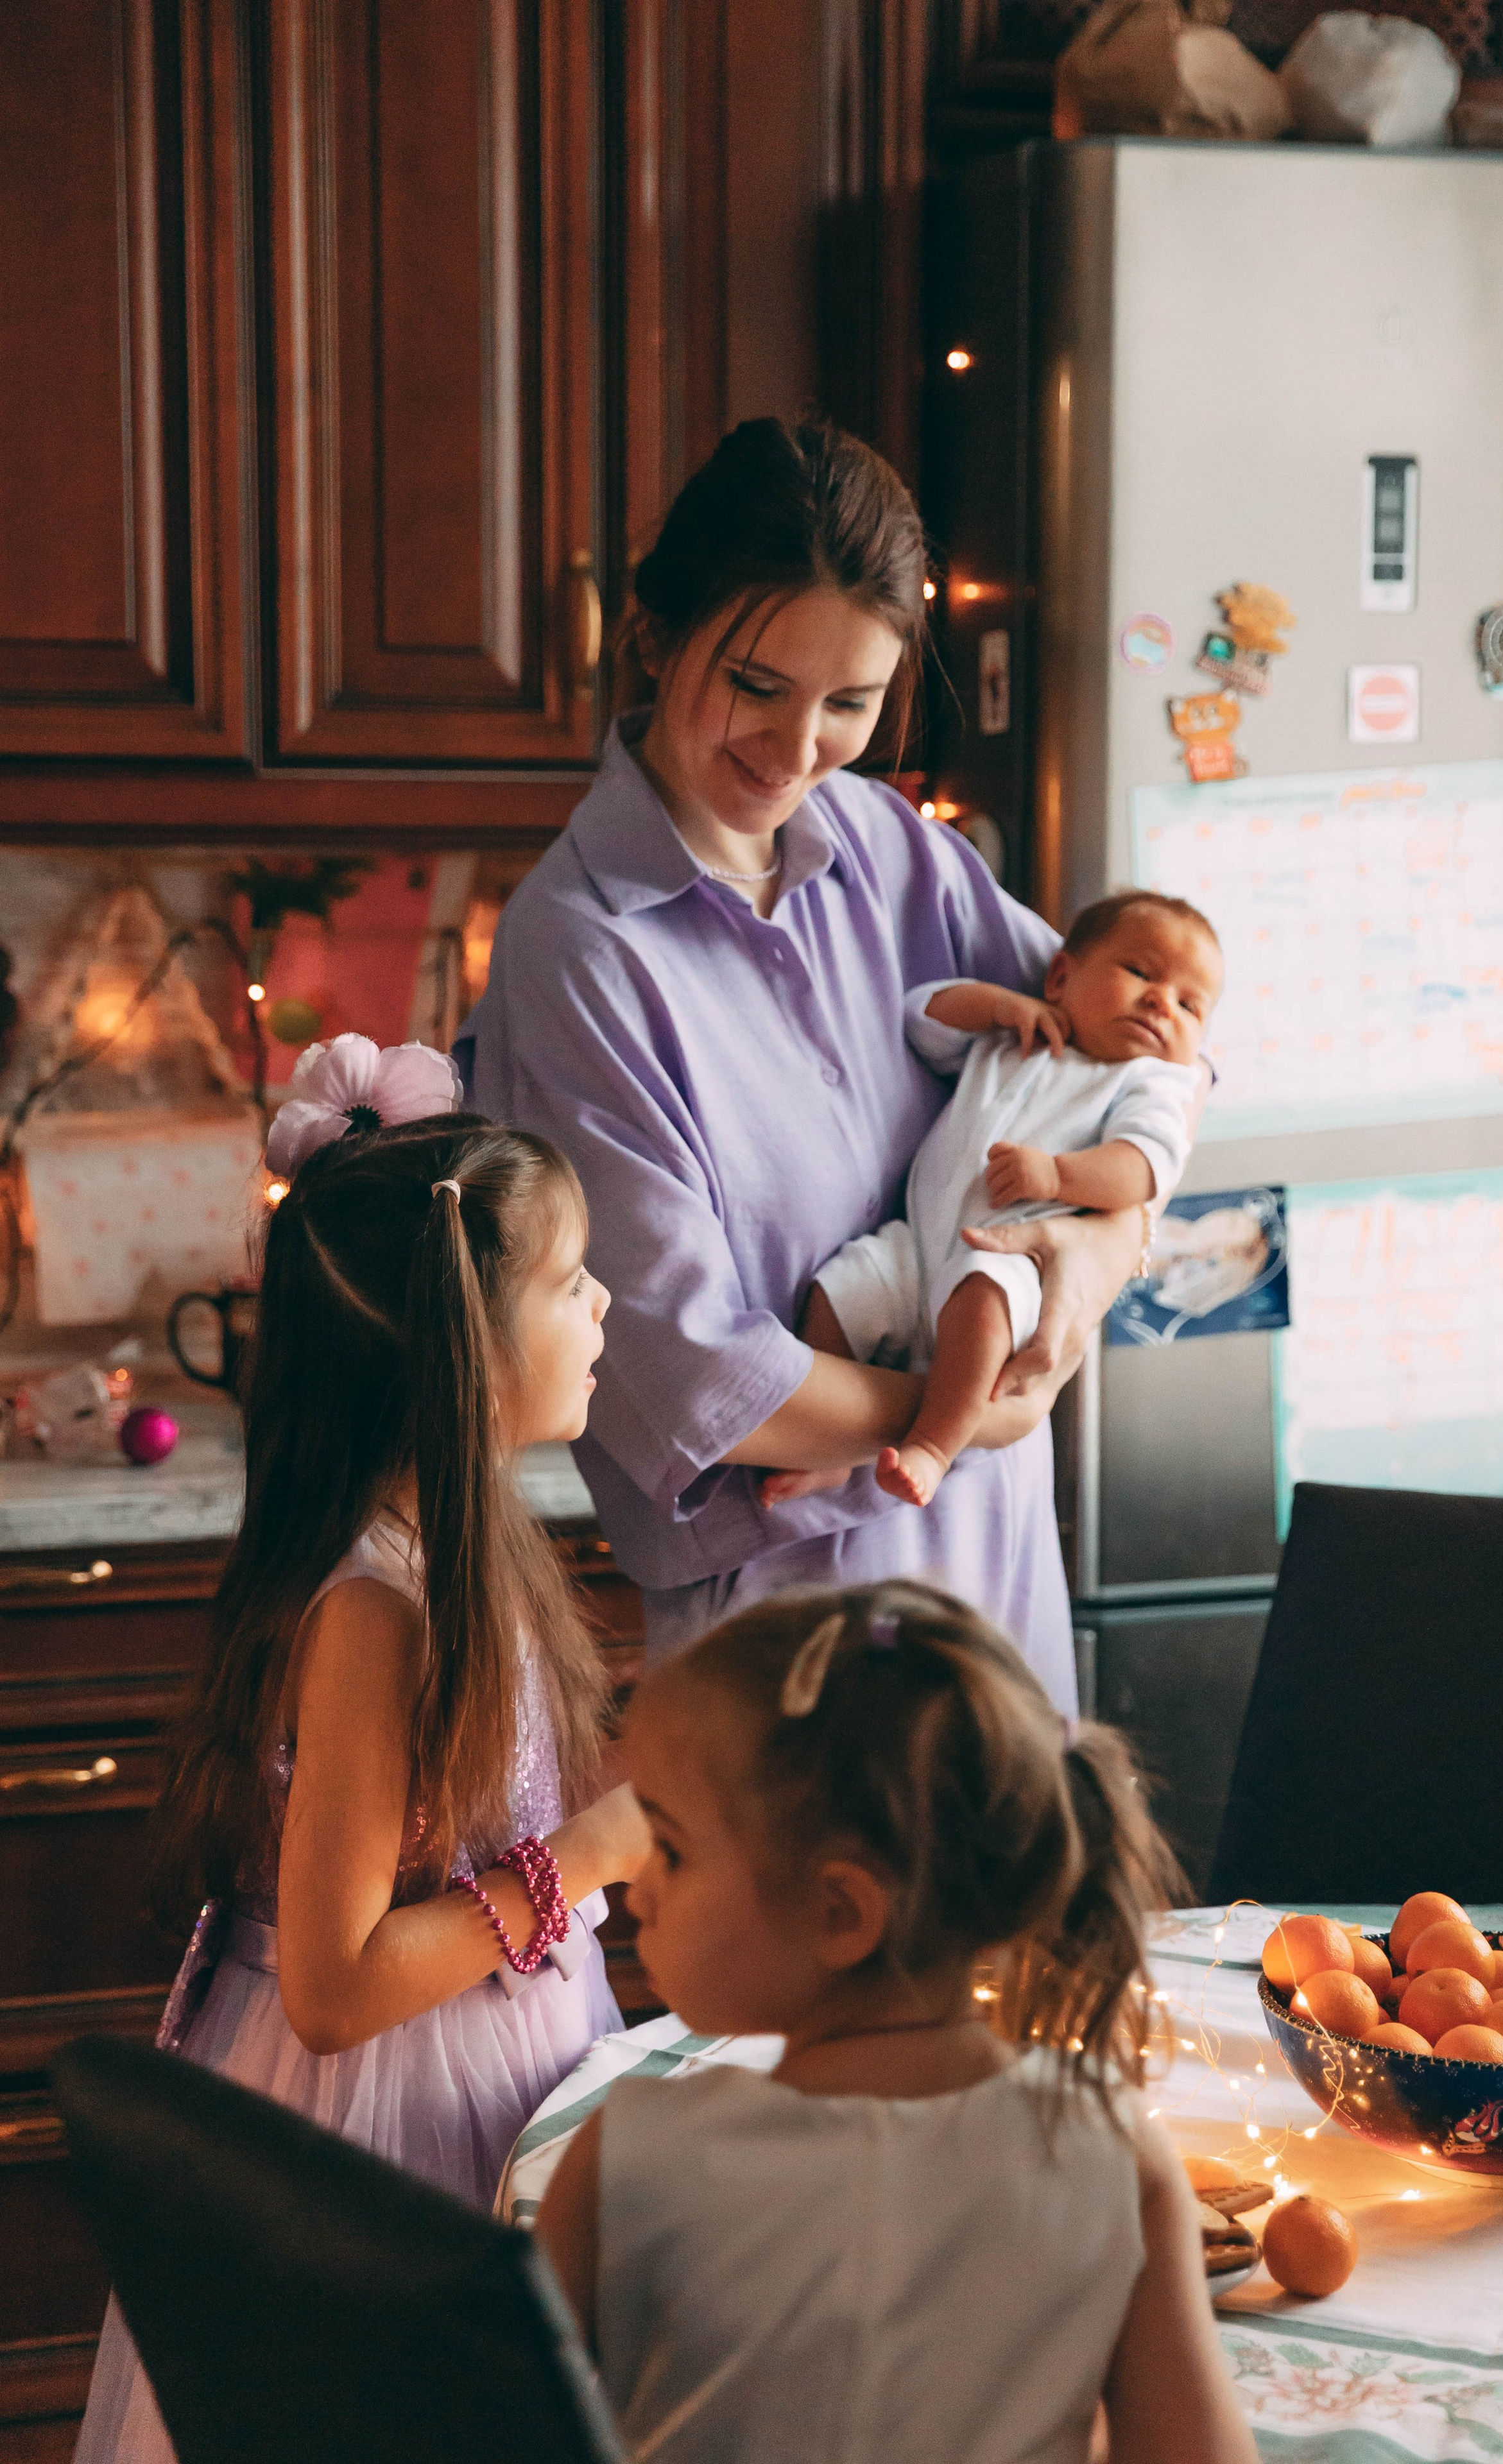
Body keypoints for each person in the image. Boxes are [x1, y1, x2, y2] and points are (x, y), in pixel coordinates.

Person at [459, 418, 1208, 1712]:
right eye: (754, 684)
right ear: (653, 635)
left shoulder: (889, 848)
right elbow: (699, 1379)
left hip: (997, 1574)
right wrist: (978, 1407)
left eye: (848, 704)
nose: (796, 750)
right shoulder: (576, 956)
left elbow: (1151, 1073)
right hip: (785, 1643)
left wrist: (1088, 1268)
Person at [75, 1036, 650, 2464]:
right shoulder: (375, 1614)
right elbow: (334, 1991)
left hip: (497, 2052)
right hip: (391, 2111)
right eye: (570, 1282)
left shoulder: (462, 1558)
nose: (604, 1305)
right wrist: (585, 1857)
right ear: (468, 1337)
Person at [537, 1580, 1258, 2464]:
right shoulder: (1113, 2151)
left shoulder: (628, 2162)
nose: (635, 1886)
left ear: (842, 1911)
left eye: (673, 1850)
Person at [798, 889, 1223, 1506]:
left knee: (983, 1298)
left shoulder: (1150, 1082)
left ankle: (934, 1446)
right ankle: (822, 1447)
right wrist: (996, 1006)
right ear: (1060, 977)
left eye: (1190, 1005)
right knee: (838, 1290)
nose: (1162, 1003)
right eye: (1140, 972)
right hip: (916, 1248)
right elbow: (923, 1018)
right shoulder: (1015, 1037)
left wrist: (1057, 1177)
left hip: (1012, 1255)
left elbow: (1143, 1167)